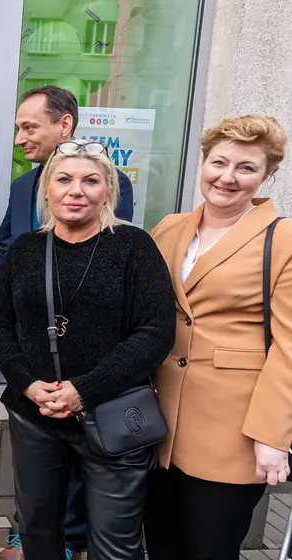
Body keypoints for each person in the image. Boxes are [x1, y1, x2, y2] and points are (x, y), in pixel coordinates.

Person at [0, 85, 135, 559]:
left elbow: (103, 256)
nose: (20, 138)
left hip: (88, 356)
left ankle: (69, 543)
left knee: (81, 460)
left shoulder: (107, 181)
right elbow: (8, 251)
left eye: (29, 127)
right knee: (38, 463)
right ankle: (32, 537)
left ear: (64, 125)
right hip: (35, 353)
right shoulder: (24, 185)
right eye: (18, 128)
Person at [0, 141, 175, 560]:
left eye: (90, 181)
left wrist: (84, 390)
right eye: (64, 179)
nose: (76, 191)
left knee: (114, 544)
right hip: (35, 415)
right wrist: (26, 383)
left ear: (108, 191)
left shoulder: (134, 247)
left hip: (113, 415)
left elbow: (156, 332)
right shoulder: (25, 250)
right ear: (47, 190)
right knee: (37, 533)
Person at [145, 115, 292, 559]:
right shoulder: (169, 227)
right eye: (219, 162)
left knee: (210, 548)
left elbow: (289, 349)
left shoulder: (283, 239)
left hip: (232, 428)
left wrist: (272, 436)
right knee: (161, 545)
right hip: (158, 425)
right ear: (204, 163)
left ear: (267, 175)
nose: (227, 177)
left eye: (246, 168)